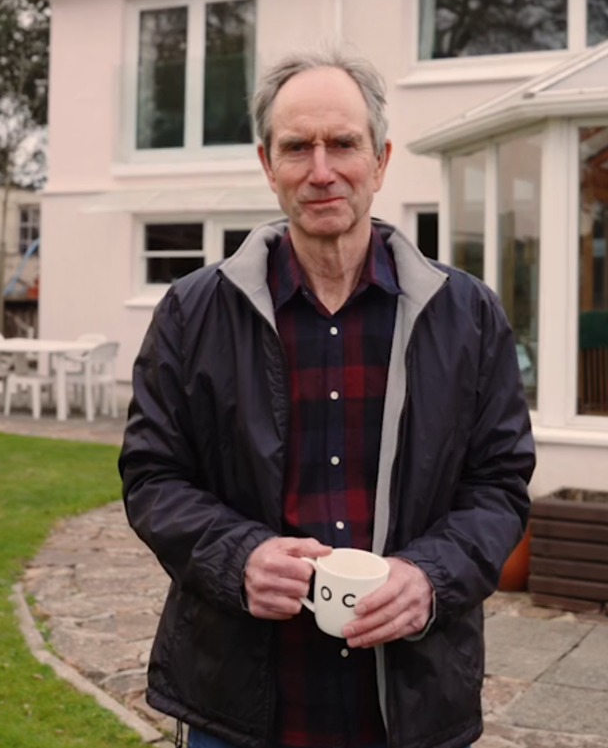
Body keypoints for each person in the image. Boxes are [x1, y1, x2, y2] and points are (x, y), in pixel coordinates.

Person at [120, 49, 536, 748]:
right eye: (297, 147)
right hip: (241, 701)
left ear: (380, 160)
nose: (321, 170)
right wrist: (238, 554)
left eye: (343, 143)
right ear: (266, 162)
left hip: (409, 699)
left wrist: (428, 576)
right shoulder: (194, 313)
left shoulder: (465, 315)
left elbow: (499, 486)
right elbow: (153, 475)